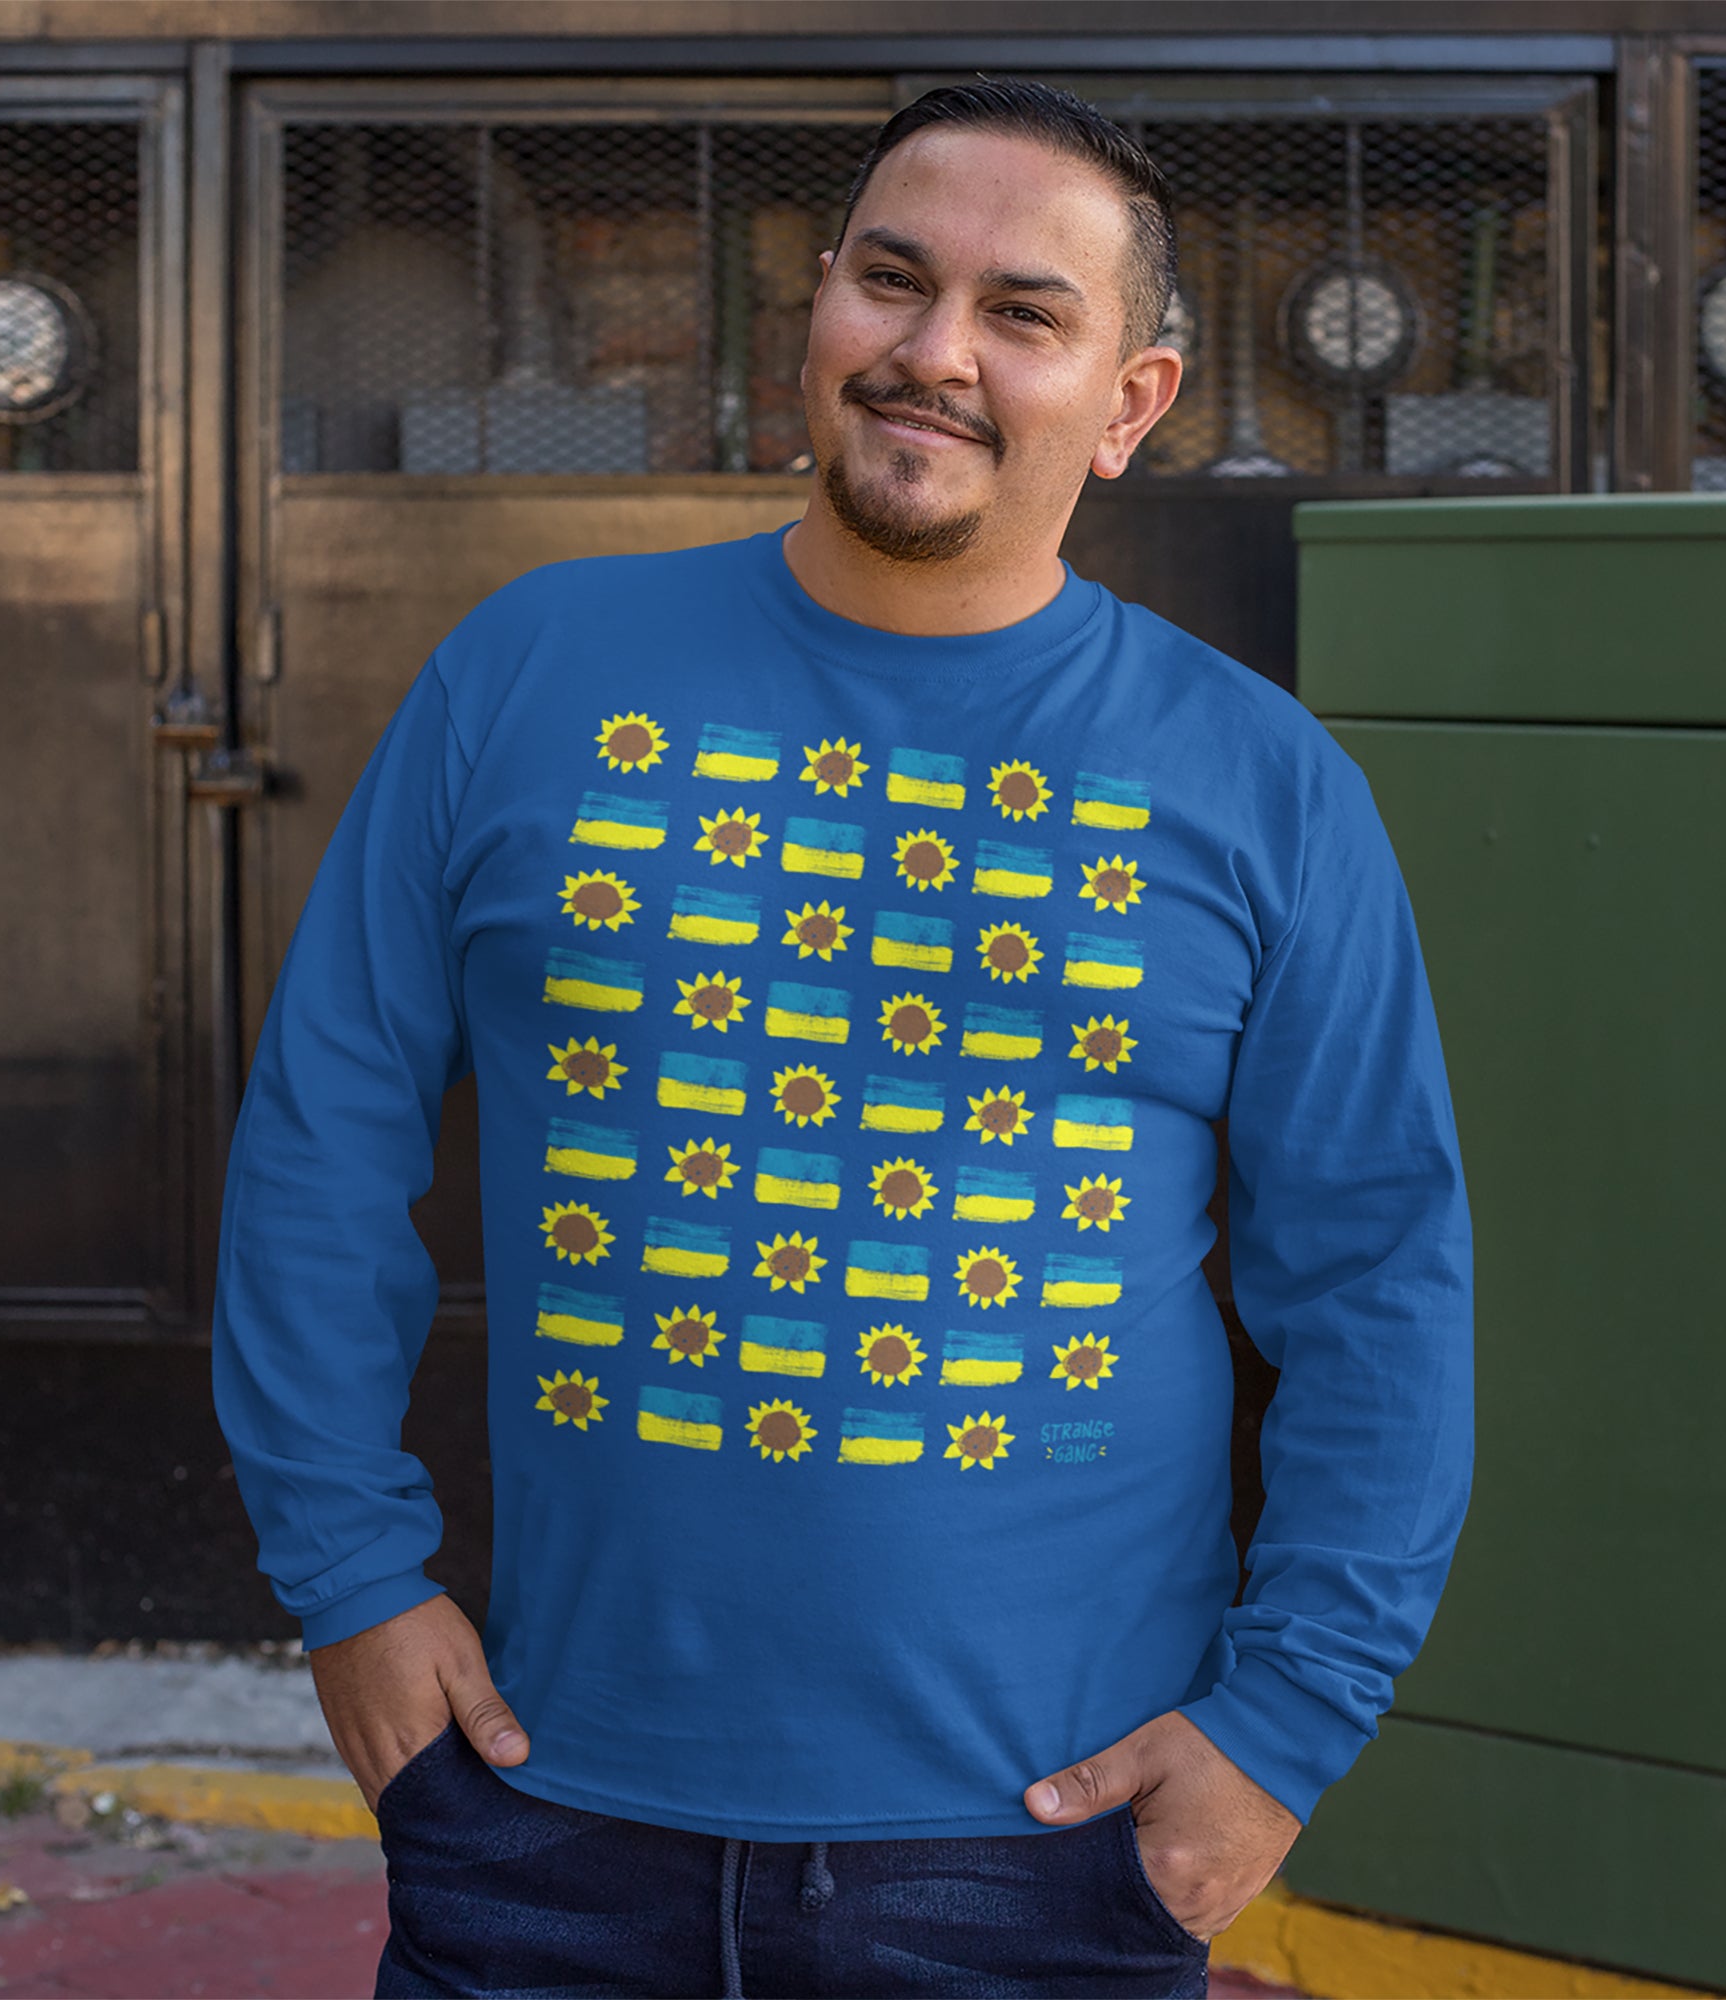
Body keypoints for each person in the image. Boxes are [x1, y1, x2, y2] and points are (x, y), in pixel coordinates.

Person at [212, 77, 1474, 2000]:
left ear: (1130, 401)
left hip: (1043, 1853)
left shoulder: (1264, 785)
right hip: (548, 1817)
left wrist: (1286, 1728)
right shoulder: (528, 674)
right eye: (892, 279)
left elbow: (1379, 1277)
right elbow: (323, 1140)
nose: (935, 352)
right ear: (816, 306)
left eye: (1023, 313)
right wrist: (351, 1583)